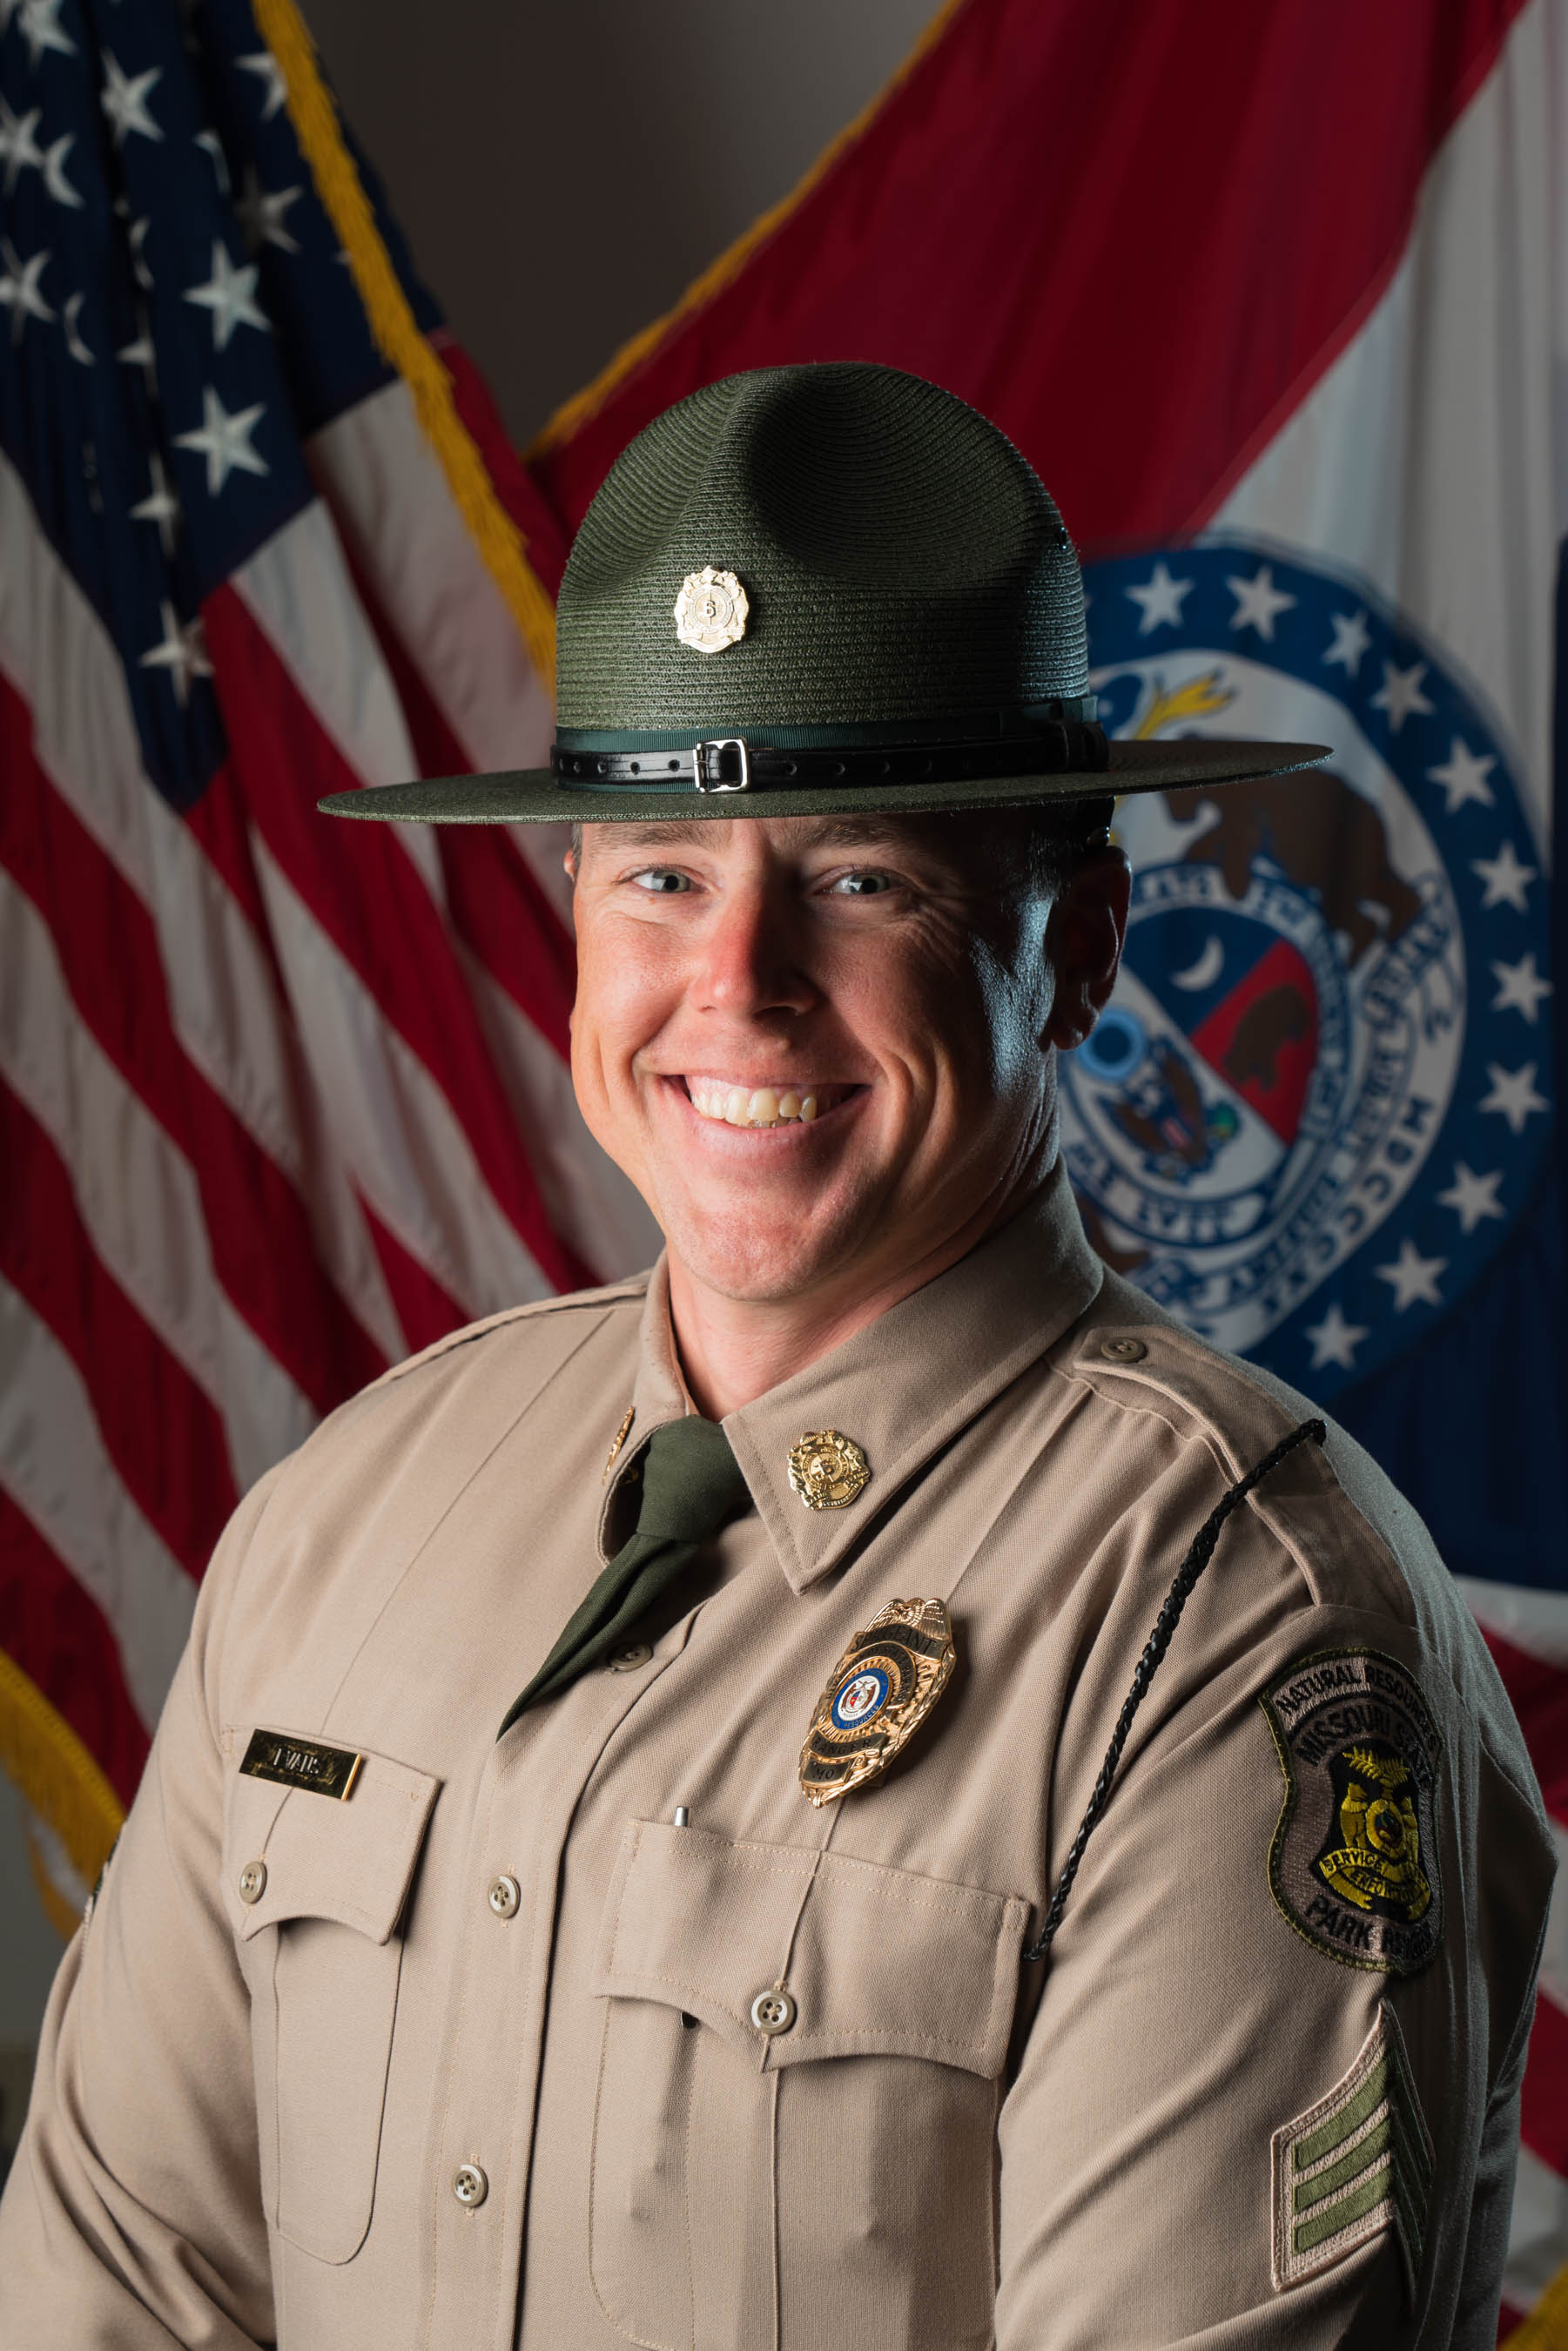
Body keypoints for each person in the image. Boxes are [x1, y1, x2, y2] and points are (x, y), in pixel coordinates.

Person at [0, 362, 1553, 2351]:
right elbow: (114, 2292)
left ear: (1075, 945)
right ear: (574, 909)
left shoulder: (1238, 1626)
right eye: (659, 872)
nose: (732, 986)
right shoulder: (351, 1513)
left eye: (858, 878)